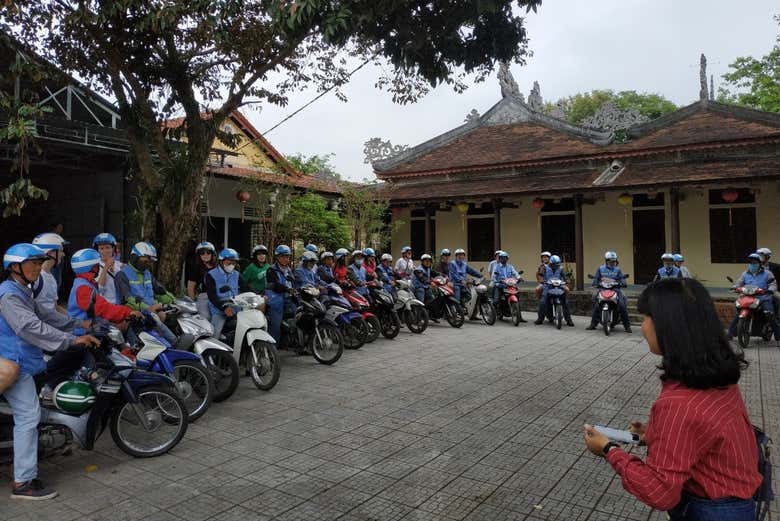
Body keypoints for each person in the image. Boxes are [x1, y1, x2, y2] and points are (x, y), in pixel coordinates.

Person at [584, 278, 761, 520]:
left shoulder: (678, 402)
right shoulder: (717, 378)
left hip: (710, 511)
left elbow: (659, 492)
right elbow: (703, 434)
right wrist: (657, 434)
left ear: (669, 326)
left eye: (646, 318)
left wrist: (608, 449)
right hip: (738, 501)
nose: (643, 327)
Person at [0, 243, 98, 500]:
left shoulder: (23, 292)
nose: (37, 267)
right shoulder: (9, 295)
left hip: (28, 362)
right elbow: (30, 326)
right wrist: (71, 340)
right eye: (32, 263)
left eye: (38, 262)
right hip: (14, 364)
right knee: (28, 417)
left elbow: (48, 315)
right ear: (14, 267)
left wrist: (80, 324)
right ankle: (23, 482)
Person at [114, 242, 177, 343]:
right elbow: (127, 299)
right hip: (134, 317)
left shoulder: (147, 274)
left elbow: (160, 292)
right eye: (146, 258)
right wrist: (148, 308)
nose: (149, 262)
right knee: (171, 340)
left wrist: (175, 301)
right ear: (135, 257)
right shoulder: (122, 275)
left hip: (151, 316)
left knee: (172, 334)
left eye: (151, 260)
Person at [67, 248, 140, 335]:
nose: (98, 267)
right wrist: (128, 312)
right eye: (97, 265)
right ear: (92, 267)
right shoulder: (83, 288)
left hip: (92, 325)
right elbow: (103, 308)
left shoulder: (84, 282)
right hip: (83, 331)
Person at [727, 253, 780, 341]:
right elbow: (739, 283)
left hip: (763, 298)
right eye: (751, 262)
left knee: (769, 314)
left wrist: (770, 289)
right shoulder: (745, 274)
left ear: (760, 263)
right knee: (738, 314)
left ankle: (778, 335)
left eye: (754, 262)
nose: (752, 264)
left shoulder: (767, 273)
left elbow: (773, 284)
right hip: (747, 297)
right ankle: (730, 334)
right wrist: (735, 287)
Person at [205, 248, 248, 339]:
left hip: (235, 308)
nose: (231, 265)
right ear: (221, 261)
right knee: (214, 335)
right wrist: (224, 308)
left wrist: (259, 296)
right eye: (229, 263)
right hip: (219, 309)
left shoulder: (236, 274)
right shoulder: (211, 275)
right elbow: (212, 296)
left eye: (234, 263)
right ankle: (212, 352)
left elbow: (246, 287)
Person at [587, 251, 631, 332]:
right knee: (596, 303)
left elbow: (622, 278)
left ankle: (627, 326)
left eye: (614, 261)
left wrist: (623, 283)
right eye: (611, 261)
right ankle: (593, 324)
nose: (613, 263)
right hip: (603, 289)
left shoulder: (618, 270)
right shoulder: (600, 269)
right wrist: (595, 283)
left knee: (621, 305)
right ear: (606, 261)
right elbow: (596, 278)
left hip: (615, 289)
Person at [265, 245, 295, 344]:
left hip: (288, 298)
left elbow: (293, 282)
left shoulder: (289, 270)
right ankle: (272, 347)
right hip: (275, 300)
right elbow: (275, 285)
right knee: (275, 325)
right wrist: (287, 289)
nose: (285, 259)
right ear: (277, 257)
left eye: (287, 256)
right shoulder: (271, 270)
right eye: (282, 256)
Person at [31, 233, 68, 312]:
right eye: (61, 251)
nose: (63, 254)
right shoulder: (34, 278)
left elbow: (54, 307)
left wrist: (75, 320)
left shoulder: (50, 277)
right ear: (50, 253)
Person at [536, 255, 574, 326]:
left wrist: (567, 280)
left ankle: (569, 320)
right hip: (548, 286)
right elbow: (540, 275)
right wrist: (541, 280)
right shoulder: (545, 267)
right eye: (555, 264)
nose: (556, 266)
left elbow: (565, 277)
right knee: (543, 301)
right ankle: (540, 319)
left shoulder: (561, 268)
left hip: (559, 285)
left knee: (565, 302)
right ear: (551, 263)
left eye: (557, 264)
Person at [185, 241, 217, 319]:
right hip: (205, 296)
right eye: (202, 253)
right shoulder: (196, 268)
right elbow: (190, 286)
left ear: (213, 254)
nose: (205, 255)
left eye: (208, 252)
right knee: (205, 317)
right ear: (198, 255)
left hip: (219, 296)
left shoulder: (219, 266)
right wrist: (193, 304)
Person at [93, 233, 123, 306]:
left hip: (120, 304)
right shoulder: (94, 266)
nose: (105, 251)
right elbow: (99, 289)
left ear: (113, 249)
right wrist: (106, 267)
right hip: (106, 306)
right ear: (97, 250)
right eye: (101, 248)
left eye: (108, 247)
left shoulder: (120, 265)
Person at [757, 247, 780, 319]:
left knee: (777, 298)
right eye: (758, 254)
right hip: (756, 290)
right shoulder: (755, 266)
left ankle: (776, 316)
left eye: (762, 255)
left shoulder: (776, 267)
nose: (759, 257)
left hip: (771, 290)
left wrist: (774, 289)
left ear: (768, 257)